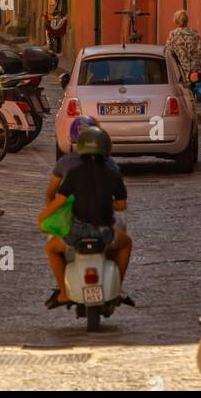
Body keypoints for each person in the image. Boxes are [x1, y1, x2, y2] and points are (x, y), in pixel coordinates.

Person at [39, 126, 132, 307]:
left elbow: (59, 201)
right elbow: (121, 205)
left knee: (51, 248)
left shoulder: (74, 173)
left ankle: (64, 293)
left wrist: (42, 217)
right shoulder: (113, 173)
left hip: (76, 234)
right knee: (126, 243)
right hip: (105, 233)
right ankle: (117, 290)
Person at [165, 9, 201, 83]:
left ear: (175, 21)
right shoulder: (195, 34)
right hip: (194, 73)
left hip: (179, 72)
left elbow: (168, 52)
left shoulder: (173, 35)